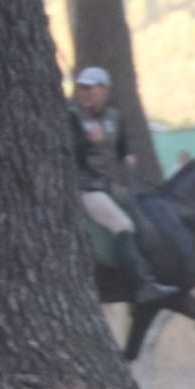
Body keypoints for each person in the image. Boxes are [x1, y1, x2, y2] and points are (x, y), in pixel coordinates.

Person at [71, 67, 175, 304]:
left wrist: (127, 157)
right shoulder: (72, 116)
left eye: (90, 88)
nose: (85, 93)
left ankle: (152, 268)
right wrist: (86, 140)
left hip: (107, 184)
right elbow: (65, 150)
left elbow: (121, 147)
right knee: (122, 223)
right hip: (85, 186)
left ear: (104, 90)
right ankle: (142, 285)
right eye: (82, 88)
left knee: (142, 209)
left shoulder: (113, 117)